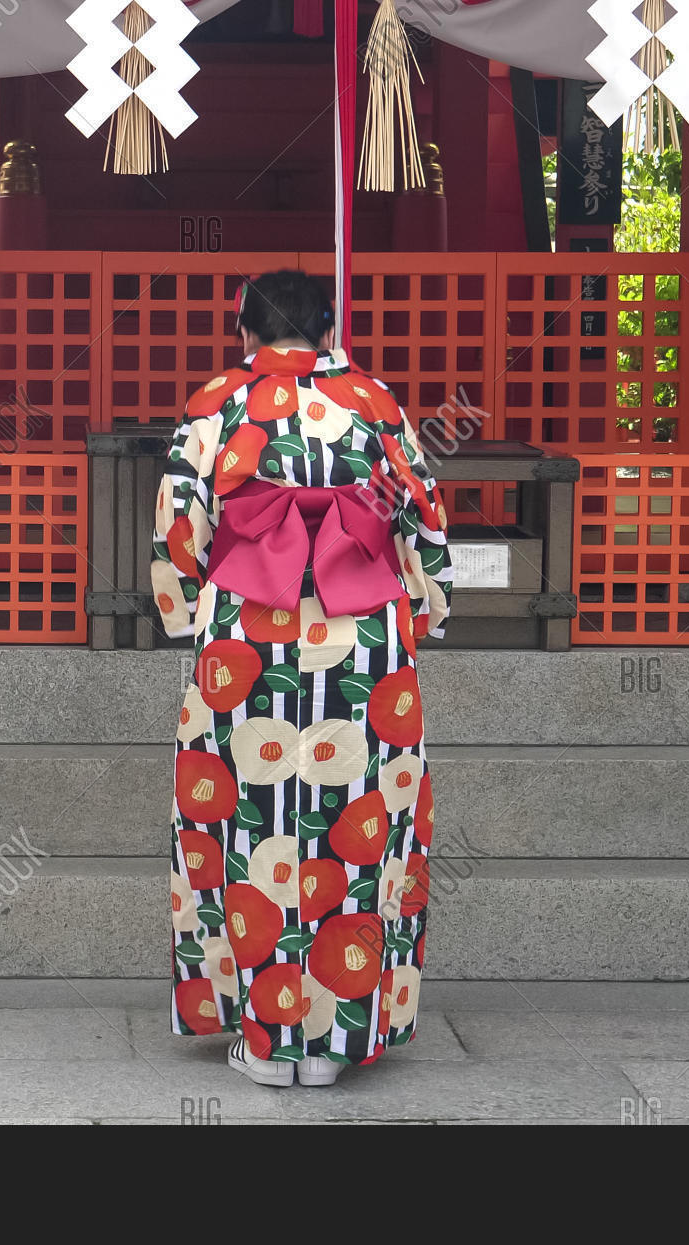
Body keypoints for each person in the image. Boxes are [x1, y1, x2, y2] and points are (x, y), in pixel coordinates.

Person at [152, 269, 452, 1087]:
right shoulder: (376, 403)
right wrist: (426, 606)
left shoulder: (216, 402)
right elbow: (423, 516)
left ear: (246, 332)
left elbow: (180, 526)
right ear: (328, 332)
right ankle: (333, 1041)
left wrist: (186, 610)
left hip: (246, 632)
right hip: (364, 638)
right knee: (359, 824)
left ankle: (265, 1037)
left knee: (244, 822)